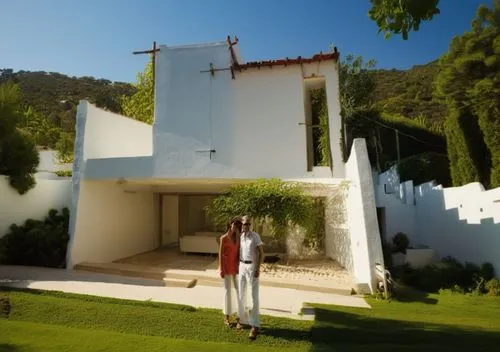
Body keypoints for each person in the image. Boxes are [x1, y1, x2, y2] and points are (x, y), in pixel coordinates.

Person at [237, 215, 264, 340]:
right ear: (241, 224)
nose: (246, 226)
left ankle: (254, 325)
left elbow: (261, 253)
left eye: (248, 224)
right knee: (241, 294)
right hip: (242, 266)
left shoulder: (255, 236)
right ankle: (242, 320)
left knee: (253, 297)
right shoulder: (240, 236)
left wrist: (258, 268)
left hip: (252, 267)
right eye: (244, 224)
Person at [218, 216, 242, 327]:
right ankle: (226, 317)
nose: (235, 227)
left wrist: (238, 236)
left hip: (236, 268)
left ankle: (239, 316)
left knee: (238, 292)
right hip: (227, 268)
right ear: (230, 224)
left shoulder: (239, 238)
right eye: (234, 225)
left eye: (238, 226)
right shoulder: (223, 238)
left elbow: (239, 253)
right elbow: (220, 254)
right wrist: (221, 269)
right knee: (228, 292)